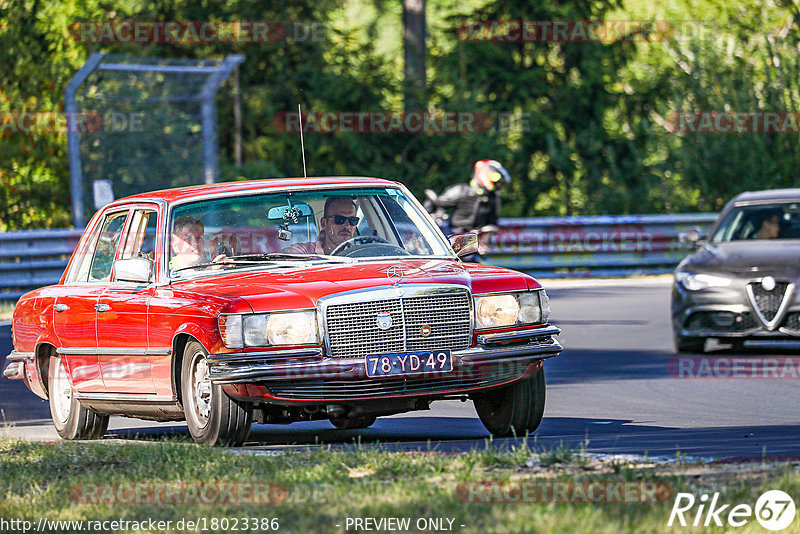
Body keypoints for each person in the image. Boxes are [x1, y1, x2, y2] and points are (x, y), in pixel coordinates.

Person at [426, 159, 511, 233]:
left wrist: (483, 236)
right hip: (453, 238)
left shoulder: (492, 198)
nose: (498, 186)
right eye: (497, 183)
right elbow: (436, 202)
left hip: (474, 244)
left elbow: (492, 224)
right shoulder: (461, 190)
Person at [287, 197, 359, 255]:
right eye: (340, 220)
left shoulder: (361, 253)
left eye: (353, 220)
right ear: (324, 223)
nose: (347, 226)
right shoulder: (302, 252)